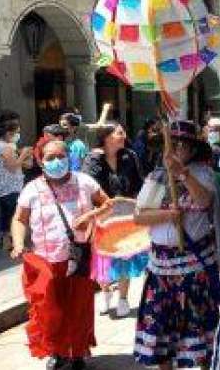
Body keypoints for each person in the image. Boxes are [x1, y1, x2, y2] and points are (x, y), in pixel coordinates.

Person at [10, 139, 111, 370]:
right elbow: (19, 218)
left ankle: (77, 353)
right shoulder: (31, 189)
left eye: (60, 156)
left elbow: (107, 204)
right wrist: (17, 243)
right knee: (49, 310)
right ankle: (57, 351)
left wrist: (91, 217)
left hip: (79, 257)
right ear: (40, 161)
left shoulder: (84, 181)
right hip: (46, 260)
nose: (56, 161)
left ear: (68, 157)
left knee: (79, 307)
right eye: (50, 158)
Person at [133, 120, 220, 370]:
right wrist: (168, 215)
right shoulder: (156, 177)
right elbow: (139, 216)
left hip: (194, 266)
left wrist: (183, 173)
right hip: (161, 269)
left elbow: (204, 202)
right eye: (169, 145)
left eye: (181, 145)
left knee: (199, 327)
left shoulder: (203, 174)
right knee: (163, 331)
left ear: (192, 150)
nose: (173, 151)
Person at [82, 122, 144, 317]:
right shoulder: (93, 159)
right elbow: (88, 187)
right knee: (103, 259)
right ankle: (106, 291)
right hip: (103, 215)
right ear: (106, 137)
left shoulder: (130, 156)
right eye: (119, 133)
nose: (124, 136)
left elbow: (138, 183)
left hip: (126, 214)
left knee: (126, 256)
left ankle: (123, 298)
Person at [0, 119, 31, 250]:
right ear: (8, 133)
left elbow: (7, 164)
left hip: (2, 187)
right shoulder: (4, 147)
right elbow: (12, 166)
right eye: (16, 133)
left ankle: (7, 241)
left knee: (6, 214)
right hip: (9, 186)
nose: (18, 136)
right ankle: (18, 242)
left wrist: (21, 160)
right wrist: (24, 154)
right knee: (15, 214)